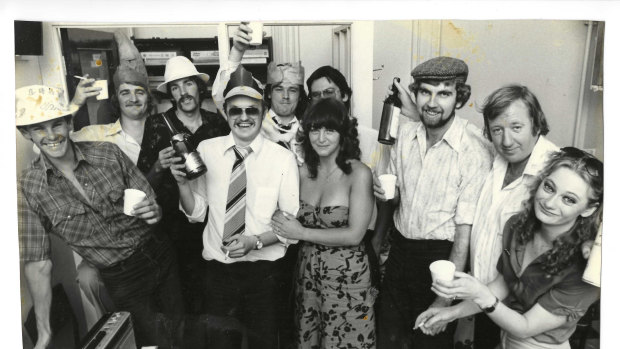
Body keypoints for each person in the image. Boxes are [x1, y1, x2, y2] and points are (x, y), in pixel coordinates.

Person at [16, 85, 183, 349]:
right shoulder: (30, 187)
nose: (51, 136)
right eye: (39, 128)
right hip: (122, 277)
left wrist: (154, 211)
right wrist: (44, 331)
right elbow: (38, 263)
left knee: (183, 332)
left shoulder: (107, 153)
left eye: (57, 124)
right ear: (26, 134)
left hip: (160, 253)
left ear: (69, 122)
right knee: (156, 340)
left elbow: (151, 202)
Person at [415, 148, 603, 349]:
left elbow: (525, 327)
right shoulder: (517, 226)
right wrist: (450, 313)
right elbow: (503, 284)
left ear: (590, 209)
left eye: (569, 199)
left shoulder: (590, 266)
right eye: (549, 187)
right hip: (506, 337)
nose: (549, 202)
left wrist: (480, 293)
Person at [172, 65, 299, 348]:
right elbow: (197, 214)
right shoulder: (206, 149)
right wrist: (181, 184)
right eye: (235, 111)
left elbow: (291, 226)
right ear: (226, 113)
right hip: (218, 270)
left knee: (263, 343)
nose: (243, 117)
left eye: (251, 110)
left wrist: (255, 241)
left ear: (262, 111)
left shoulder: (282, 159)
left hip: (264, 273)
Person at [372, 56, 493, 349]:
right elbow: (401, 198)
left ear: (459, 97)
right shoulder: (405, 134)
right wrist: (389, 193)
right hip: (400, 253)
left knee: (429, 343)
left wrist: (444, 297)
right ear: (415, 93)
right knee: (387, 340)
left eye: (444, 93)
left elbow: (464, 234)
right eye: (426, 91)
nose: (433, 102)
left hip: (440, 260)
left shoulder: (474, 149)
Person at [460, 85, 559, 348]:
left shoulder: (555, 171)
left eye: (516, 127)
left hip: (523, 309)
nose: (506, 141)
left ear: (536, 125)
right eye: (497, 130)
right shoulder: (496, 158)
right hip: (486, 298)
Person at [272, 98, 376, 348]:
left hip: (348, 279)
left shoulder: (359, 173)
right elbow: (282, 214)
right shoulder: (301, 172)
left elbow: (354, 235)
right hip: (307, 276)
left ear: (343, 134)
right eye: (314, 129)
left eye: (330, 130)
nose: (321, 138)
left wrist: (302, 231)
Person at [152, 55, 231, 312]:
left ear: (199, 87)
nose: (183, 92)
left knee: (217, 295)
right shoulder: (157, 125)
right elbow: (141, 180)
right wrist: (158, 165)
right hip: (175, 229)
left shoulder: (218, 123)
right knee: (184, 298)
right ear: (171, 94)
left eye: (188, 84)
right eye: (175, 87)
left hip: (215, 221)